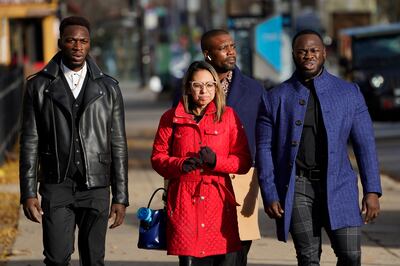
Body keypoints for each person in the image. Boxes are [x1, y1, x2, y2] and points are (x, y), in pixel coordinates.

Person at [256, 29, 382, 265]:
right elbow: (263, 149)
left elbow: (365, 144)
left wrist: (372, 190)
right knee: (308, 257)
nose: (308, 56)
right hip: (297, 187)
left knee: (351, 255)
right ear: (294, 55)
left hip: (340, 184)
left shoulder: (349, 93)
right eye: (302, 51)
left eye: (314, 50)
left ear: (324, 53)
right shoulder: (274, 98)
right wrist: (270, 192)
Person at [19, 16, 128, 266]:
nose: (77, 46)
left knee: (93, 260)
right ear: (60, 43)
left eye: (83, 41)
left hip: (96, 185)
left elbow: (119, 144)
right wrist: (28, 191)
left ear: (89, 44)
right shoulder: (38, 86)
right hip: (56, 183)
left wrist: (121, 196)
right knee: (56, 259)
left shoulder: (109, 88)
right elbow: (29, 141)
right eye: (71, 40)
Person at [172, 29, 264, 265]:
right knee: (196, 248)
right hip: (196, 182)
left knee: (237, 251)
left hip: (241, 178)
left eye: (232, 46)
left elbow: (265, 137)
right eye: (223, 48)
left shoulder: (254, 90)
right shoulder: (188, 89)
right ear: (207, 54)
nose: (231, 51)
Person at [151, 60, 252, 265]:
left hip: (219, 202)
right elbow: (157, 158)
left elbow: (243, 161)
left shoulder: (229, 116)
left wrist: (216, 162)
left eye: (209, 85)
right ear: (188, 87)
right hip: (184, 202)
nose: (203, 91)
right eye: (197, 85)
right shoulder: (171, 118)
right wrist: (179, 164)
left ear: (216, 87)